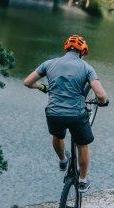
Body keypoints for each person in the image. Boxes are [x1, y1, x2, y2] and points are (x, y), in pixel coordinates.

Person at [23, 35, 108, 192]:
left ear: (66, 49)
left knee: (58, 136)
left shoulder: (48, 63)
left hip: (54, 114)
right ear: (82, 52)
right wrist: (104, 102)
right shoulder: (87, 67)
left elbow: (27, 82)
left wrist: (42, 87)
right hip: (76, 116)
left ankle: (63, 160)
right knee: (82, 145)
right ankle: (83, 181)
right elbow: (101, 95)